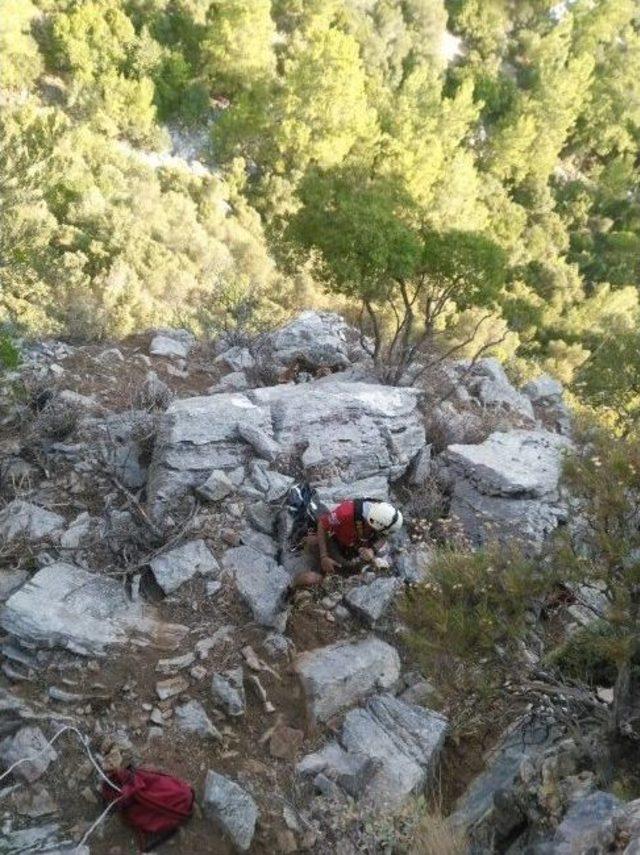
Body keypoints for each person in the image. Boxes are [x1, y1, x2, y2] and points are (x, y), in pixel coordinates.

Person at [291, 498, 403, 588]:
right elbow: (322, 525)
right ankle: (308, 543)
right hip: (337, 537)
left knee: (354, 566)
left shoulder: (385, 515)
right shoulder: (345, 513)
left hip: (356, 538)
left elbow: (385, 535)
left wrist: (372, 550)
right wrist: (324, 556)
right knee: (340, 567)